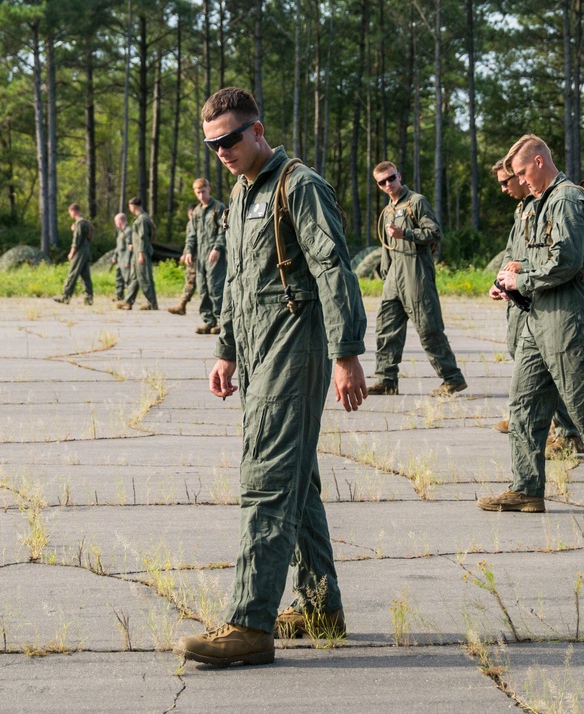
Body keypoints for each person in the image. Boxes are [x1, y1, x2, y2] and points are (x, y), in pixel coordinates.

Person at [172, 87, 367, 667]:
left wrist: (346, 351)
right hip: (256, 351)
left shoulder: (297, 185)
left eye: (230, 138)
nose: (222, 151)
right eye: (212, 144)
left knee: (267, 478)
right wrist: (226, 349)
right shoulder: (240, 192)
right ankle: (319, 607)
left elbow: (333, 264)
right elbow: (236, 279)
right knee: (297, 479)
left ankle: (249, 624)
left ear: (258, 130)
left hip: (296, 345)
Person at [477, 134, 584, 516]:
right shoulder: (533, 205)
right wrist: (505, 281)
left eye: (523, 172)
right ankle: (526, 489)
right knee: (524, 404)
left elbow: (568, 261)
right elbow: (524, 256)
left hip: (567, 318)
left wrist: (521, 281)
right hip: (535, 317)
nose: (520, 181)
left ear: (539, 162)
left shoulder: (567, 199)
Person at [489, 159, 583, 458]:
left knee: (553, 371)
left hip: (539, 293)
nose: (506, 187)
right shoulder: (524, 209)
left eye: (510, 179)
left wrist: (523, 275)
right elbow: (512, 251)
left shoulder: (555, 202)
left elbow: (558, 258)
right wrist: (501, 282)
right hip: (521, 292)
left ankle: (567, 432)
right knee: (520, 353)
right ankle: (538, 422)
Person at [368, 162, 466, 398]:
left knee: (428, 328)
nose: (388, 184)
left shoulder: (416, 202)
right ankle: (386, 379)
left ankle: (452, 378)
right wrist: (385, 272)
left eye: (391, 178)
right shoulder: (388, 211)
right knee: (386, 329)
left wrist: (407, 234)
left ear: (398, 176)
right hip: (394, 277)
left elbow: (435, 233)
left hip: (416, 273)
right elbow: (387, 248)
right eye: (382, 182)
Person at [183, 178, 227, 334]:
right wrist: (188, 251)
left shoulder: (218, 208)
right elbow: (192, 234)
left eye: (203, 191)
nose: (201, 195)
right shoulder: (196, 211)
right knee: (203, 289)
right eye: (198, 192)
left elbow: (224, 230)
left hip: (215, 255)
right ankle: (209, 321)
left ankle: (221, 321)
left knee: (216, 288)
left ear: (209, 190)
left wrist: (217, 248)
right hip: (200, 257)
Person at [117, 197, 158, 310]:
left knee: (145, 277)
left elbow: (143, 237)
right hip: (137, 252)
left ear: (133, 206)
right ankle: (128, 301)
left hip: (142, 252)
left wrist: (140, 253)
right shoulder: (141, 218)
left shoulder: (142, 220)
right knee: (135, 277)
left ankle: (152, 303)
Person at [53, 203, 94, 305]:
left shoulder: (79, 223)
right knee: (85, 275)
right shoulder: (85, 222)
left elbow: (77, 239)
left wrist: (72, 252)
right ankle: (88, 298)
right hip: (86, 250)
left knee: (72, 274)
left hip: (80, 252)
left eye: (70, 212)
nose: (70, 214)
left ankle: (65, 297)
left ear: (73, 211)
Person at [168, 204, 199, 315]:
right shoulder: (190, 224)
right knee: (190, 281)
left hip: (199, 257)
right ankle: (182, 304)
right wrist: (185, 253)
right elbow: (189, 241)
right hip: (192, 257)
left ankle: (182, 304)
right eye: (191, 214)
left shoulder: (198, 223)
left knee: (193, 282)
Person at [112, 212, 132, 302]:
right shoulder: (121, 232)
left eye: (116, 222)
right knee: (119, 278)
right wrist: (114, 256)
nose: (115, 224)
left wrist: (127, 261)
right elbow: (118, 246)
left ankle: (129, 297)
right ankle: (119, 295)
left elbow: (129, 247)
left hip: (125, 258)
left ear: (120, 221)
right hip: (120, 258)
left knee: (127, 278)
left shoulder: (128, 231)